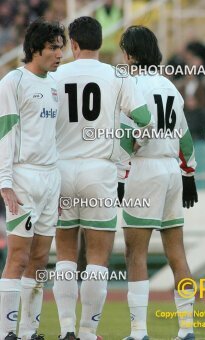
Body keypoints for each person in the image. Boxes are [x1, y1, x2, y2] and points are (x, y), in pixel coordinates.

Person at [52, 16, 153, 340]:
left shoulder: (56, 74)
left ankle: (66, 328)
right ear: (101, 43)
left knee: (65, 254)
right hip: (100, 170)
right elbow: (144, 120)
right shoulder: (117, 75)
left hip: (62, 167)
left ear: (73, 44)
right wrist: (133, 143)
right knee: (98, 257)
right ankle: (87, 332)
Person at [119, 25, 199, 340]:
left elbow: (130, 135)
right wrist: (189, 174)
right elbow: (185, 137)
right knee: (176, 252)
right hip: (171, 171)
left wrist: (119, 174)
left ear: (129, 53)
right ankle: (187, 329)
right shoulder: (169, 86)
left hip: (144, 168)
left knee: (134, 253)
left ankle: (139, 332)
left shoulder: (129, 85)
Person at [0, 19, 65, 340]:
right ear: (35, 49)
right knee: (19, 257)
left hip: (50, 179)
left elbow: (54, 139)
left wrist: (60, 185)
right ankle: (6, 331)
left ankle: (29, 331)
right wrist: (5, 181)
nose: (60, 54)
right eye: (54, 47)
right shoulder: (14, 81)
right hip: (23, 178)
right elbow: (5, 133)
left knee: (41, 258)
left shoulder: (54, 85)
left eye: (61, 47)